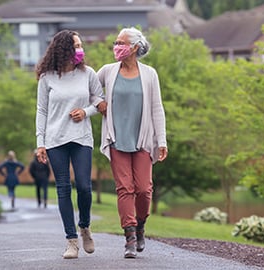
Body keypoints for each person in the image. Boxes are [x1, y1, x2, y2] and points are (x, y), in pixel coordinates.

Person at [96, 27, 168, 259]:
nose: (117, 46)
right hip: (117, 138)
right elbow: (90, 89)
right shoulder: (108, 71)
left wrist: (162, 140)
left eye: (121, 42)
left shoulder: (149, 74)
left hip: (143, 140)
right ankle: (129, 237)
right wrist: (98, 102)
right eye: (116, 42)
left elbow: (157, 108)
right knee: (125, 189)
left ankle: (140, 225)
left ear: (135, 47)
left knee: (144, 190)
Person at [35, 29, 104, 259]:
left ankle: (84, 226)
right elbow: (41, 110)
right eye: (76, 45)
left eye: (80, 45)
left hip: (81, 138)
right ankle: (71, 240)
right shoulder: (47, 78)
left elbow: (99, 101)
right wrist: (40, 142)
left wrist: (85, 112)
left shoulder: (88, 74)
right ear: (63, 48)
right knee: (63, 189)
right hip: (55, 139)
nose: (80, 49)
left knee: (84, 186)